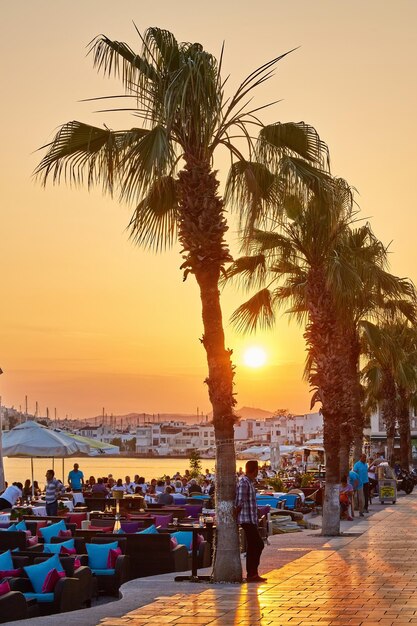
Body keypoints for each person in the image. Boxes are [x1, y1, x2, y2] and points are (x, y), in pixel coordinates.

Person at [235, 460, 266, 583]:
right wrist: (235, 515)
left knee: (254, 545)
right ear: (255, 470)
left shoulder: (249, 482)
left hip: (251, 518)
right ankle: (251, 573)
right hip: (246, 519)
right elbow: (240, 501)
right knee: (258, 544)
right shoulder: (244, 482)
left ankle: (253, 573)